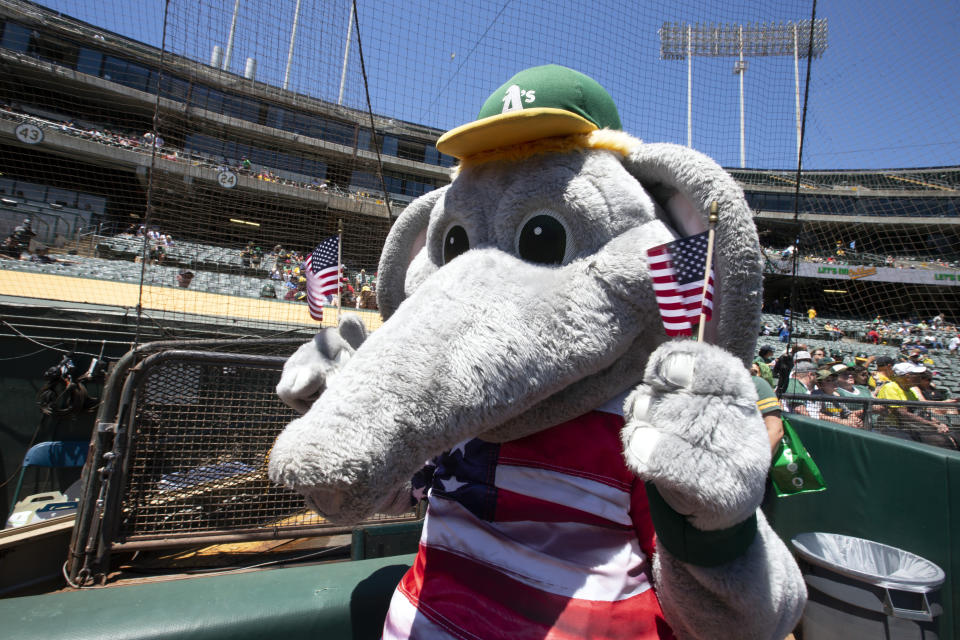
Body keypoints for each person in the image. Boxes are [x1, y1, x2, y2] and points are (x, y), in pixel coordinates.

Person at [874, 362, 952, 443]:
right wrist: (932, 425)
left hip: (910, 428)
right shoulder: (891, 387)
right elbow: (902, 414)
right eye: (918, 375)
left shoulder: (911, 391)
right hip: (891, 429)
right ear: (907, 377)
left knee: (946, 439)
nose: (920, 378)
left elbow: (919, 412)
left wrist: (938, 423)